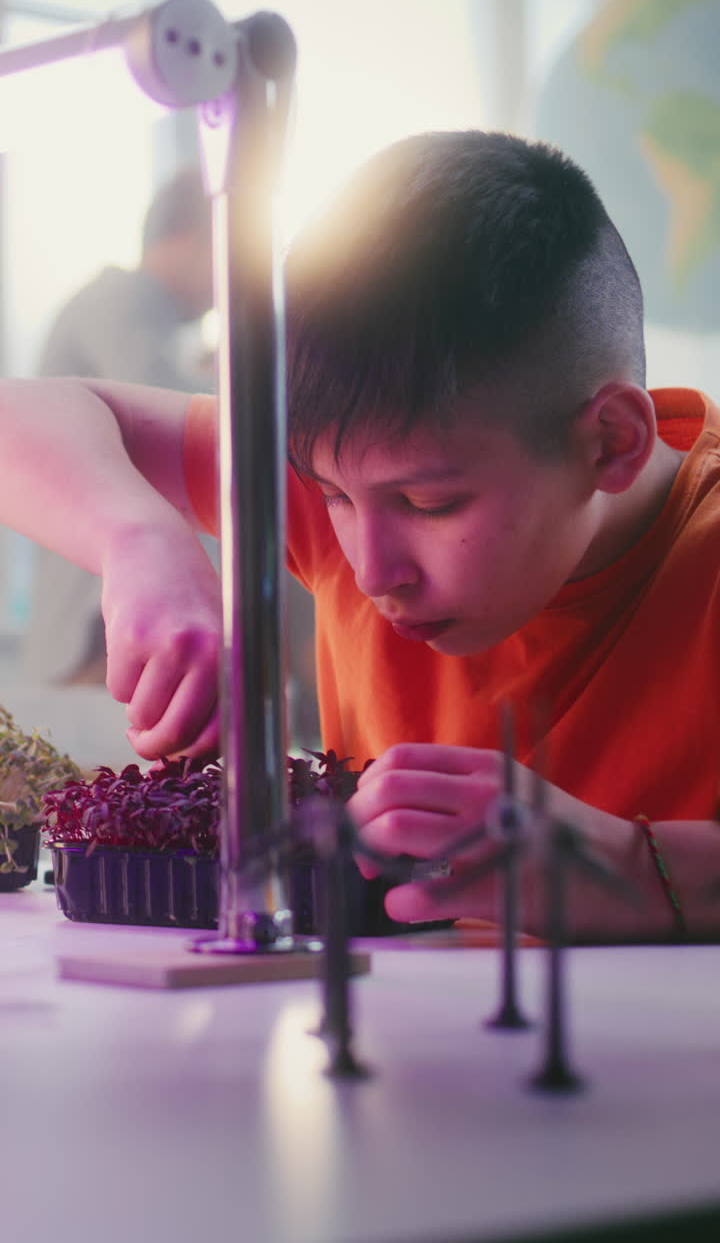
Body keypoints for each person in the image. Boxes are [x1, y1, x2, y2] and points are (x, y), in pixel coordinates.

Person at [0, 130, 718, 941]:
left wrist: (629, 866)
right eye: (335, 496)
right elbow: (19, 413)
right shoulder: (335, 474)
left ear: (611, 443)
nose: (372, 572)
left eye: (430, 503)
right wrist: (140, 542)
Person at [21, 166, 215, 686]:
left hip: (106, 613)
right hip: (96, 623)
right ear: (189, 238)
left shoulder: (147, 318)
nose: (229, 284)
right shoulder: (122, 299)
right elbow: (181, 418)